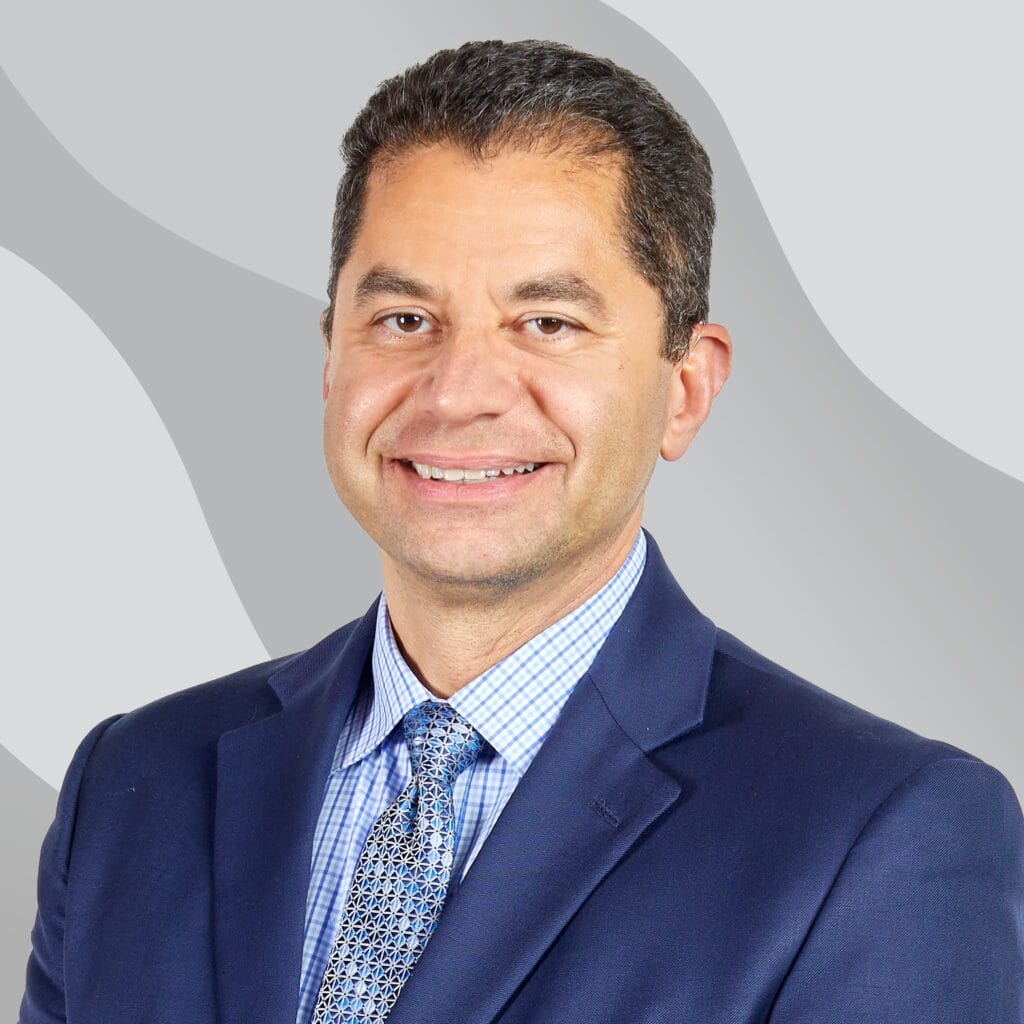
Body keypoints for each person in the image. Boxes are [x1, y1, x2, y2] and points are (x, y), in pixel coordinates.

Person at [19, 38, 1023, 1024]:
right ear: (332, 360)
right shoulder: (132, 784)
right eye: (404, 319)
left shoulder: (880, 835)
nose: (457, 394)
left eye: (545, 322)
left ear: (686, 387)